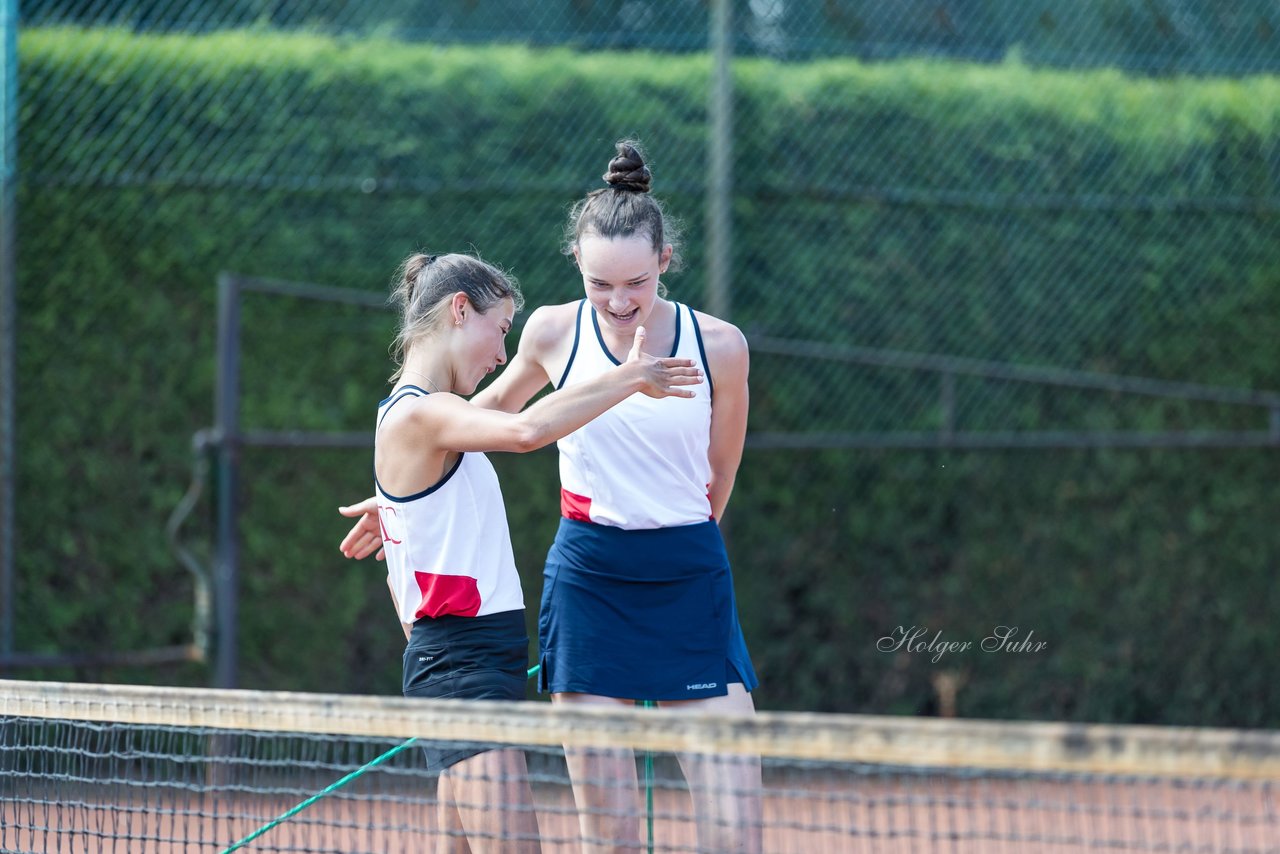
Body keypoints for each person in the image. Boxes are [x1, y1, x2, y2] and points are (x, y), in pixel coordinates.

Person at [341, 141, 761, 854]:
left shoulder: (720, 347)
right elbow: (488, 426)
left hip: (690, 575)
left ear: (664, 261)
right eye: (601, 283)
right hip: (590, 581)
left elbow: (718, 477)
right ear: (575, 262)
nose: (620, 301)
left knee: (736, 831)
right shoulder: (551, 330)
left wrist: (672, 545)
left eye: (636, 281)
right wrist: (401, 501)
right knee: (613, 837)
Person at [362, 249, 702, 854]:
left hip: (479, 662)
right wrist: (630, 376)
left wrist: (393, 506)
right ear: (459, 311)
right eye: (500, 333)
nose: (501, 355)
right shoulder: (420, 414)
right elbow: (525, 432)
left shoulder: (432, 419)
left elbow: (456, 458)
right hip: (459, 668)